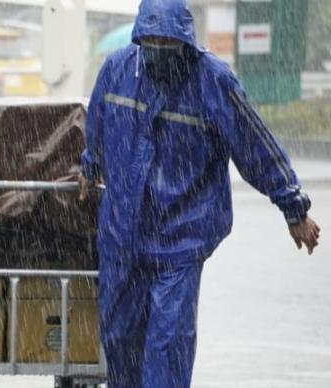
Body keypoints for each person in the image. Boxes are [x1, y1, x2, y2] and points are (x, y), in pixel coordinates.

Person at [77, 0, 321, 387]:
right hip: (122, 236)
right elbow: (99, 127)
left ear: (185, 40)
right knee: (120, 342)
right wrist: (90, 167)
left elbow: (256, 145)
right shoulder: (118, 70)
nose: (158, 47)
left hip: (180, 241)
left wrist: (293, 207)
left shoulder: (213, 82)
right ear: (140, 36)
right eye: (151, 39)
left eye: (166, 40)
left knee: (166, 346)